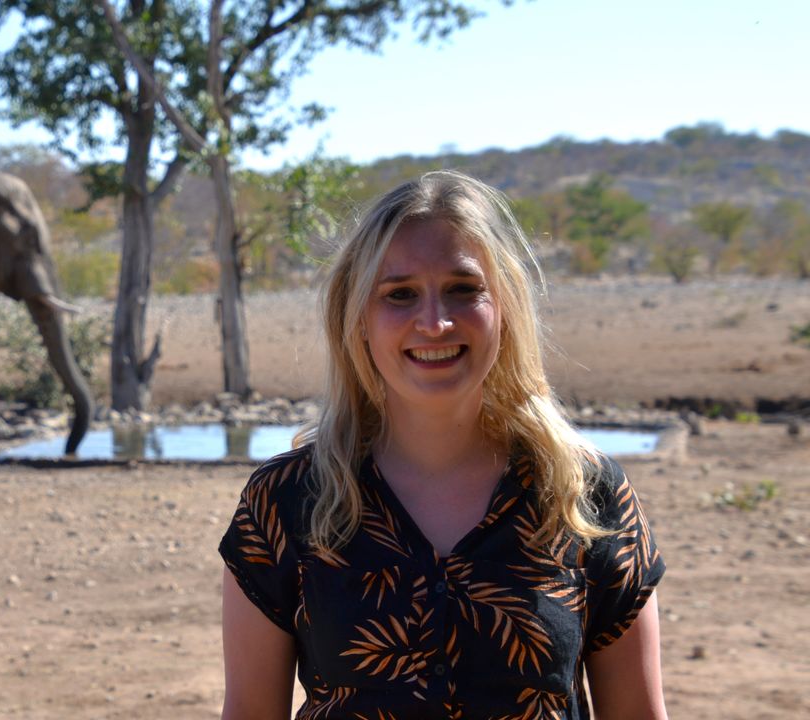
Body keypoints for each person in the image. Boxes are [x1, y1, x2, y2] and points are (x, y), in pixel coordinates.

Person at [218, 171, 667, 719]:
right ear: (358, 317)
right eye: (399, 294)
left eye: (463, 288)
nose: (434, 322)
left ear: (504, 306)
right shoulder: (286, 501)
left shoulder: (585, 494)